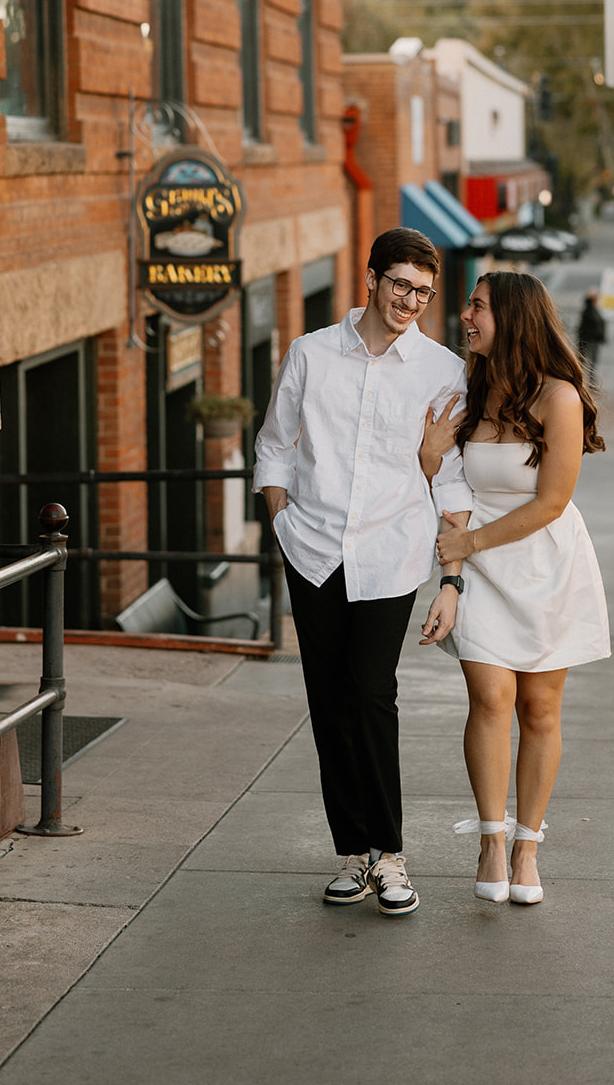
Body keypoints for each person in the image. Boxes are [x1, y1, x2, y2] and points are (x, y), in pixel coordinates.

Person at [253, 228, 471, 917]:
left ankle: (391, 852)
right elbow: (273, 446)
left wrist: (450, 579)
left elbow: (453, 480)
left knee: (372, 693)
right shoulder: (311, 354)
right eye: (400, 285)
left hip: (391, 555)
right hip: (312, 550)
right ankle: (352, 852)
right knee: (329, 700)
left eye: (423, 292)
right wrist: (281, 521)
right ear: (372, 280)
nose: (410, 300)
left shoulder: (441, 370)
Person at [421, 270, 609, 906]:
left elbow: (554, 502)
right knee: (491, 698)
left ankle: (529, 846)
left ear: (514, 318)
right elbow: (451, 486)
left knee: (541, 709)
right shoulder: (468, 387)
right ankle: (492, 840)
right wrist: (428, 464)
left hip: (545, 564)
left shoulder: (559, 397)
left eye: (477, 307)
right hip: (477, 568)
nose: (465, 316)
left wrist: (467, 545)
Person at [576, 288, 606, 375]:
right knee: (591, 364)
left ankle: (590, 383)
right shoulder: (590, 310)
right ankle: (591, 384)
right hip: (591, 340)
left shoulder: (589, 309)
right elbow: (595, 325)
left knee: (589, 363)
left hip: (589, 340)